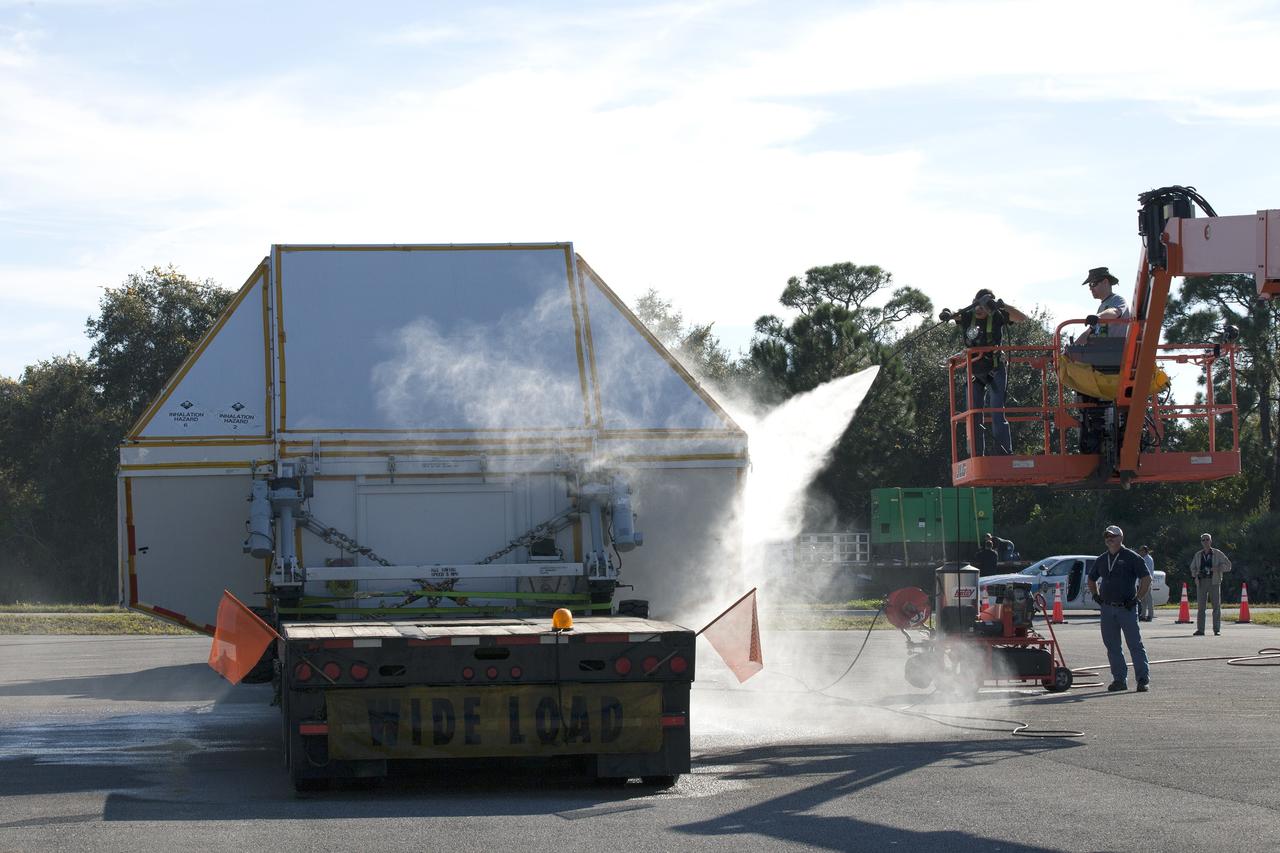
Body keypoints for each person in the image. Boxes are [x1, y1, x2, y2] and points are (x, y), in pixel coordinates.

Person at [942, 289, 1028, 456]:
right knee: (973, 416)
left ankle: (1004, 453)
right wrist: (947, 313)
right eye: (977, 303)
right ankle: (975, 455)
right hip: (974, 372)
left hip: (995, 370)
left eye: (984, 305)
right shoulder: (968, 316)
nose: (979, 308)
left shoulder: (997, 316)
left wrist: (1002, 306)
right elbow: (955, 314)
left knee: (997, 412)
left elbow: (1022, 318)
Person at [1087, 524, 1151, 692]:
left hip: (1126, 608)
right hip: (1107, 608)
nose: (1109, 539)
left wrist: (1137, 598)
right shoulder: (1102, 559)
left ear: (1121, 538)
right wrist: (1096, 596)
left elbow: (1146, 578)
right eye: (1107, 536)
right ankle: (1119, 680)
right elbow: (1091, 579)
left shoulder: (1132, 557)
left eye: (1113, 536)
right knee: (1112, 646)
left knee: (1135, 644)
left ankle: (1142, 679)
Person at [1076, 267, 1132, 453]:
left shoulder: (1116, 301)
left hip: (1113, 357)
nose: (1090, 288)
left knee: (1083, 380)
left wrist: (1097, 319)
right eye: (1089, 285)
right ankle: (1092, 427)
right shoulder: (1101, 307)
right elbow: (1092, 329)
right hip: (1103, 356)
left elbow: (1115, 312)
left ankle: (1101, 424)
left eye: (1093, 284)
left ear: (1106, 282)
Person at [1188, 533, 1232, 636]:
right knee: (1201, 607)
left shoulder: (1217, 553)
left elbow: (1228, 565)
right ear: (1201, 542)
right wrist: (1196, 574)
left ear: (1211, 541)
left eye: (1207, 539)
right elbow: (1192, 568)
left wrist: (1218, 568)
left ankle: (1217, 630)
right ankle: (1200, 630)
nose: (1205, 541)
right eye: (1203, 540)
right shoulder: (1198, 554)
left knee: (1216, 606)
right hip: (1202, 582)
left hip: (1214, 581)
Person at [1138, 545, 1155, 621]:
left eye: (1141, 550)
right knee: (1143, 599)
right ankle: (1143, 615)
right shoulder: (1143, 558)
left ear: (1145, 551)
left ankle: (1150, 615)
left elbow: (1146, 571)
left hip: (1147, 580)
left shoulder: (1148, 559)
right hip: (1142, 580)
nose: (1140, 552)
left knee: (1148, 599)